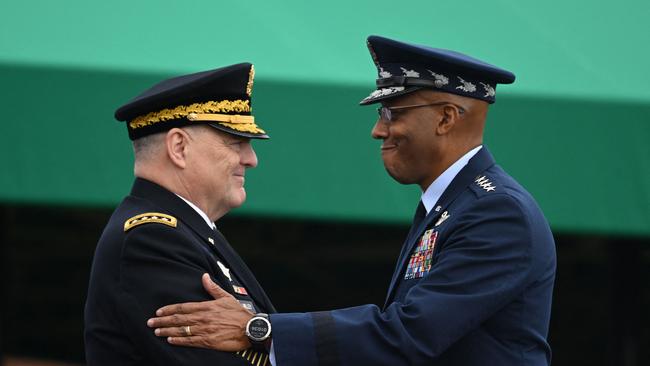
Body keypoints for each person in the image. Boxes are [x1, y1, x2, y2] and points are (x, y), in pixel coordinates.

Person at [147, 35, 557, 366]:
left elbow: (410, 334)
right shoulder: (454, 206)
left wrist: (259, 329)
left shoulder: (497, 212)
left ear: (446, 118)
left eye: (393, 113)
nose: (379, 131)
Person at [84, 63, 276, 366]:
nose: (251, 159)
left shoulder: (185, 234)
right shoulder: (151, 238)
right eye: (236, 142)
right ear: (178, 147)